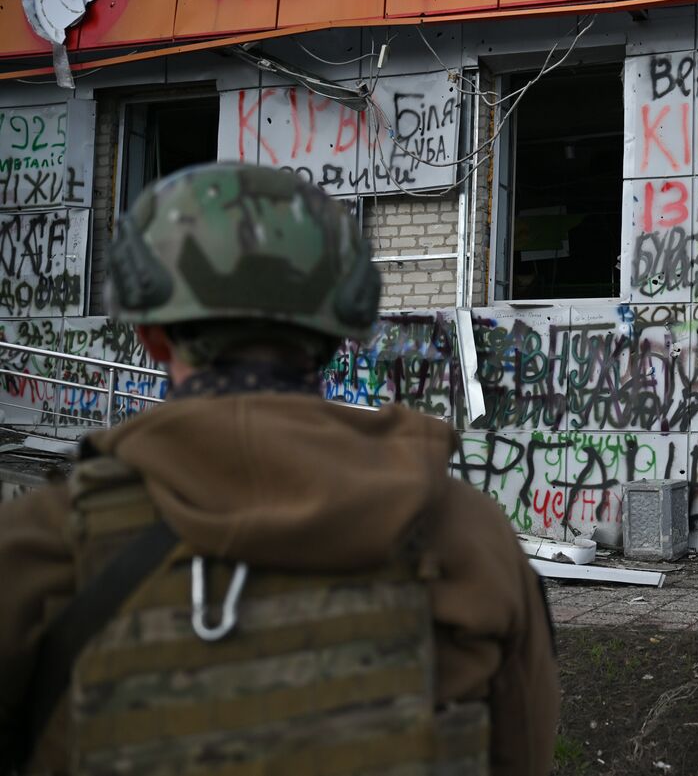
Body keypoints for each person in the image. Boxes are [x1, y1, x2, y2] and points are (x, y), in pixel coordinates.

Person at [0, 163, 558, 775]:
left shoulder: (39, 545)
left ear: (151, 334)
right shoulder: (469, 536)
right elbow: (522, 751)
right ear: (334, 334)